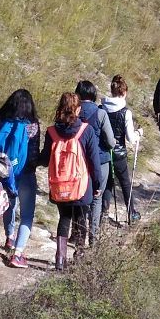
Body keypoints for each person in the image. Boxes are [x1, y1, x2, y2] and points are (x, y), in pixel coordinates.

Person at [41, 92, 99, 271]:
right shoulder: (86, 130)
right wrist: (96, 185)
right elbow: (94, 161)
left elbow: (44, 158)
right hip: (80, 185)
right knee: (81, 218)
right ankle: (79, 255)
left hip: (59, 185)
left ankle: (60, 259)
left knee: (64, 219)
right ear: (78, 109)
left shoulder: (51, 132)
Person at [0, 88, 40, 268]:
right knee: (27, 215)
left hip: (3, 170)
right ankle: (18, 254)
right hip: (25, 172)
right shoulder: (32, 125)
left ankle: (9, 237)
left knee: (9, 205)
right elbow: (34, 154)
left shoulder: (0, 121)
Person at [75, 80, 115, 247]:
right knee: (96, 199)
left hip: (78, 162)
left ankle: (78, 236)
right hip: (100, 161)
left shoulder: (73, 112)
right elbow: (111, 142)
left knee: (80, 198)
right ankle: (93, 238)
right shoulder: (100, 113)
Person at [102, 76, 142, 225]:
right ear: (124, 92)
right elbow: (131, 138)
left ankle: (103, 214)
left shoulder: (102, 108)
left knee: (107, 184)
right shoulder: (126, 112)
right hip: (119, 154)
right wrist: (139, 134)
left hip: (105, 152)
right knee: (125, 183)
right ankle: (131, 214)